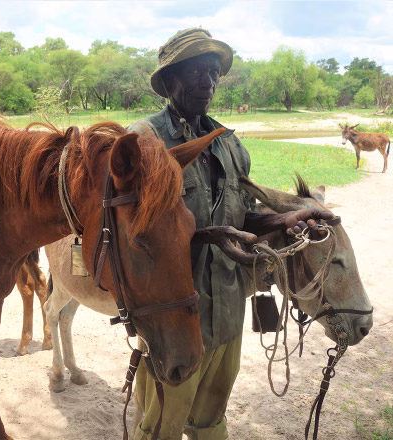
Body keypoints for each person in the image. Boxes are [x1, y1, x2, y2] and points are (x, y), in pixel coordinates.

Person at [129, 28, 333, 440]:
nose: (208, 82)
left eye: (213, 72)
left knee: (211, 416)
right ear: (170, 80)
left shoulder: (231, 145)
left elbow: (242, 218)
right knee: (161, 421)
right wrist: (205, 236)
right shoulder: (143, 141)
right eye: (196, 71)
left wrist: (284, 220)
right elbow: (135, 235)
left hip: (227, 308)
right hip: (173, 313)